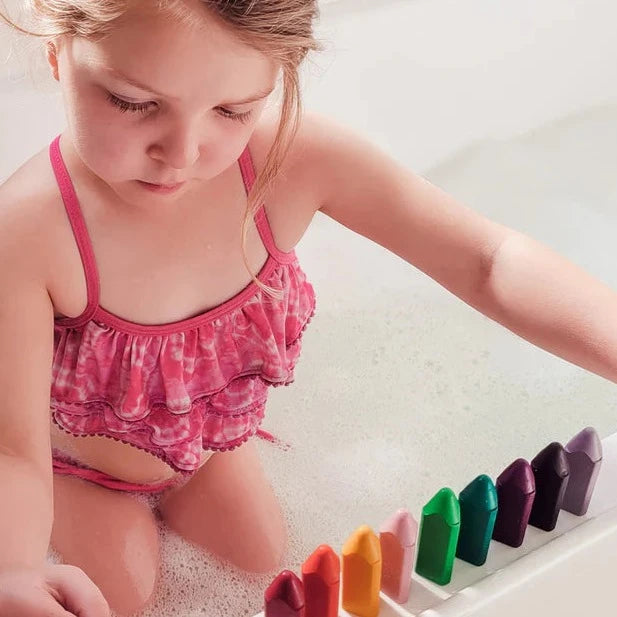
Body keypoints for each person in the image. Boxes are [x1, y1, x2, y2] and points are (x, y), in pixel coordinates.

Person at [1, 1, 616, 615]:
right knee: (120, 600)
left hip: (208, 448)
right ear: (58, 50)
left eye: (232, 110)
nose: (183, 152)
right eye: (133, 102)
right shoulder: (28, 235)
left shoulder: (289, 161)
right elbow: (10, 451)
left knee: (261, 561)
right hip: (76, 467)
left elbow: (488, 259)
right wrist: (15, 567)